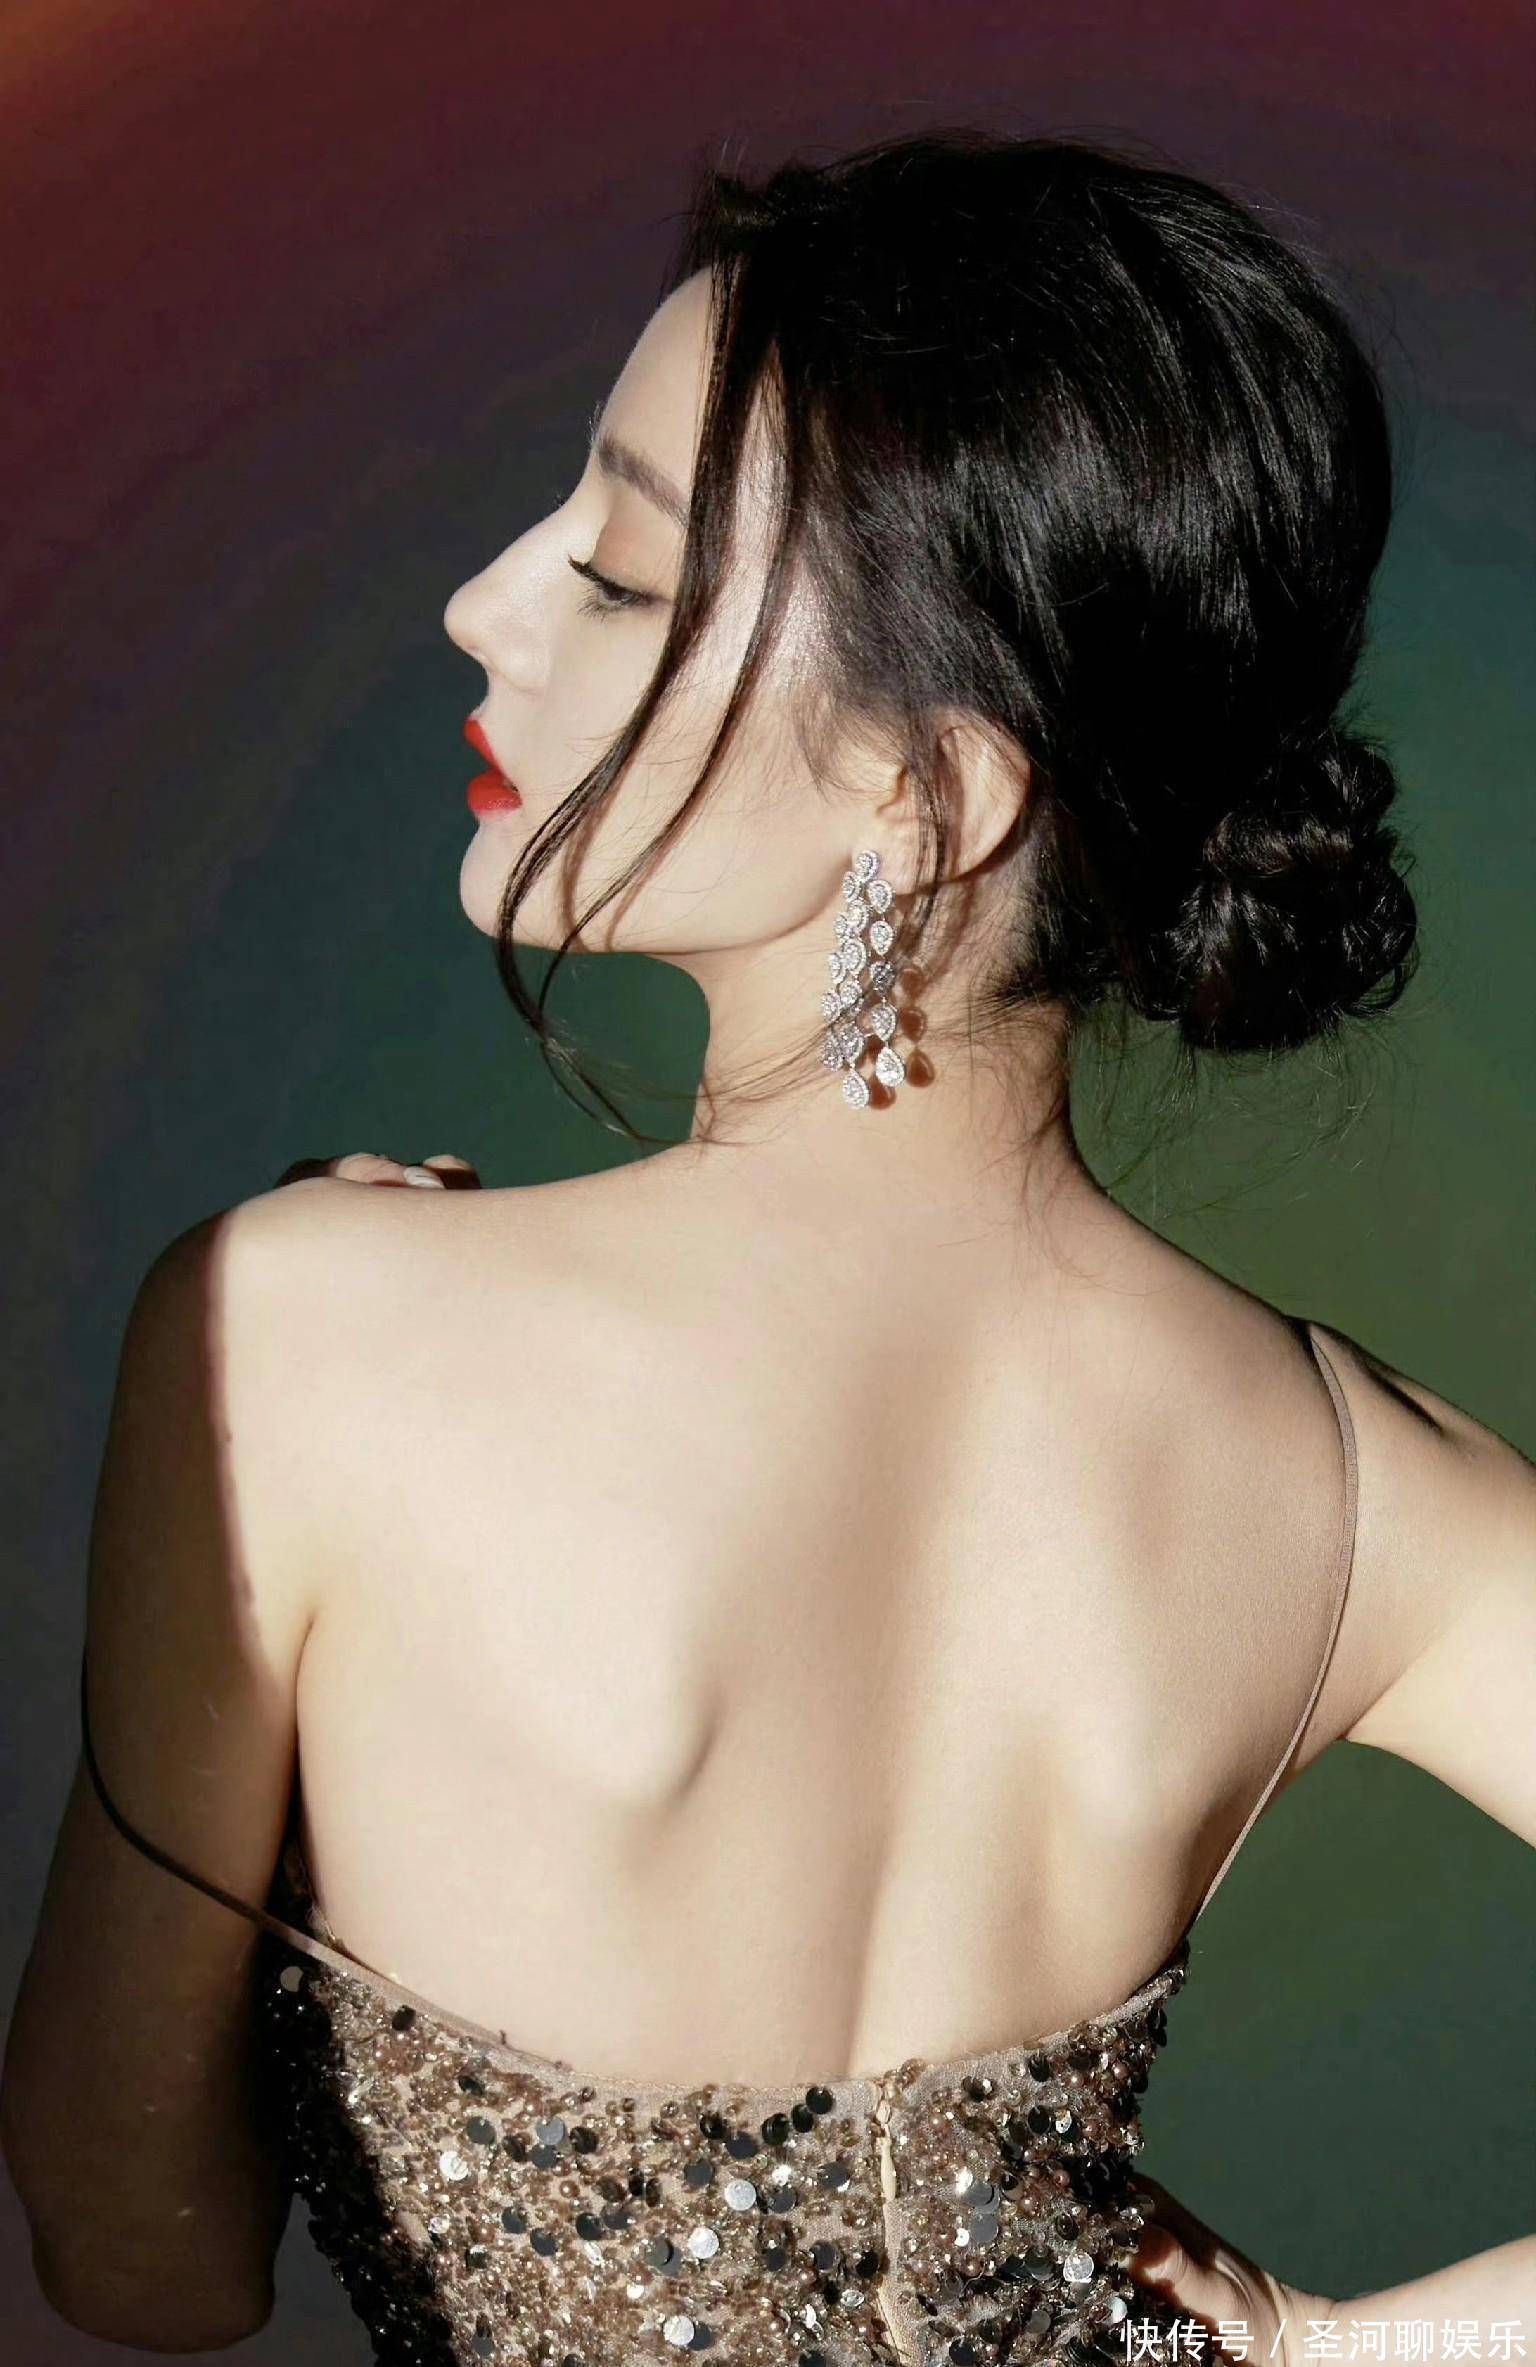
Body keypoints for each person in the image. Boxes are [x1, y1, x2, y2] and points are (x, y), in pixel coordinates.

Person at [3, 130, 1532, 2365]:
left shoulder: (300, 1342)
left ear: (930, 792)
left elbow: (137, 2250)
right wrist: (1325, 2355)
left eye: (622, 576)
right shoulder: (1354, 1484)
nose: (486, 604)